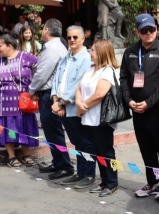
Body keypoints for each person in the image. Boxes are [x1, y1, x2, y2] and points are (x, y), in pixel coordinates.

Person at [120, 13, 159, 200]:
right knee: (146, 148)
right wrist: (129, 101)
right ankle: (152, 182)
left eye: (152, 29)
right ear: (138, 32)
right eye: (144, 30)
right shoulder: (130, 52)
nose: (149, 33)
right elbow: (124, 79)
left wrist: (149, 103)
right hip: (138, 110)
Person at [0, 34, 39, 167]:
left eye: (0, 45)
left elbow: (41, 69)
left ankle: (26, 154)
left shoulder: (26, 57)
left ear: (9, 46)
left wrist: (36, 89)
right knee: (8, 128)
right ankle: (11, 156)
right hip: (3, 104)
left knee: (24, 127)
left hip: (23, 103)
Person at [50, 26, 96, 189]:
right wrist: (55, 99)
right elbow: (56, 79)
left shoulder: (86, 59)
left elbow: (78, 84)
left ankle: (89, 174)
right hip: (62, 107)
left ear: (83, 38)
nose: (72, 40)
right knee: (76, 142)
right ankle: (80, 173)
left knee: (86, 142)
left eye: (75, 37)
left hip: (77, 108)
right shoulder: (66, 57)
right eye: (69, 37)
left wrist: (61, 103)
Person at [29, 19, 74, 180]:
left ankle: (64, 165)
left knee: (54, 131)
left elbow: (42, 74)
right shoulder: (53, 47)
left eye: (42, 29)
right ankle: (58, 161)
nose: (41, 32)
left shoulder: (53, 48)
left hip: (50, 94)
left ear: (47, 30)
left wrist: (31, 90)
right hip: (49, 93)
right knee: (50, 131)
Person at [75, 39, 121, 197]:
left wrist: (83, 106)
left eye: (93, 50)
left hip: (101, 119)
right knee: (97, 151)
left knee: (107, 152)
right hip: (88, 118)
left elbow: (99, 94)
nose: (90, 52)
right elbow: (80, 87)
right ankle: (104, 182)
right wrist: (78, 102)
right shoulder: (90, 68)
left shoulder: (108, 71)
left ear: (101, 52)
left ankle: (112, 182)